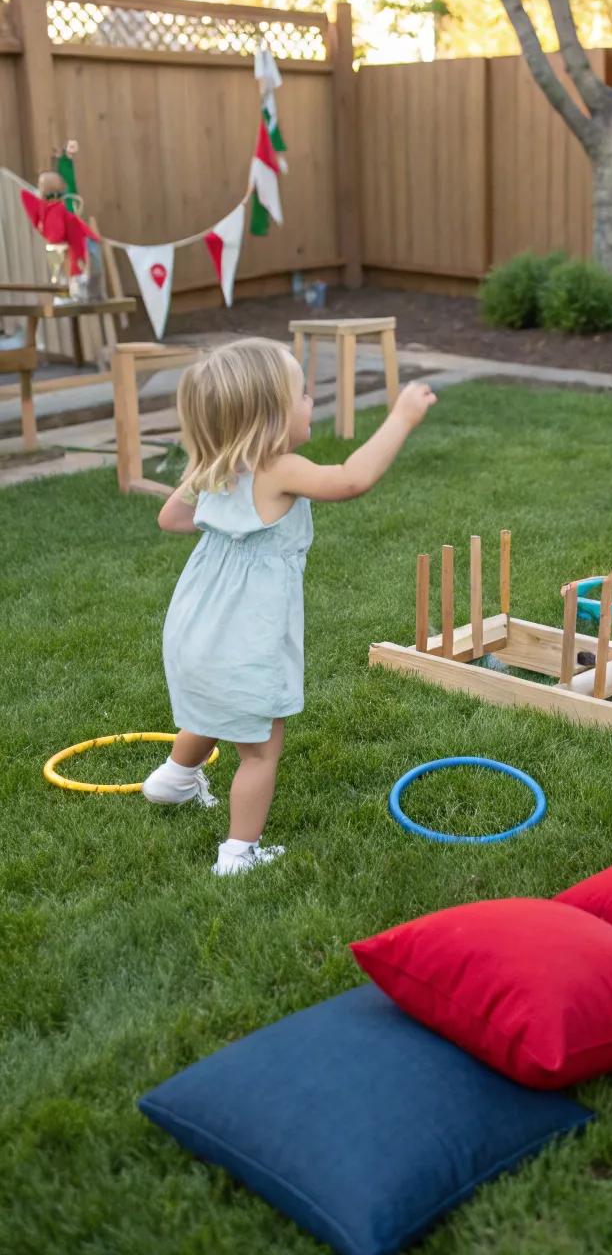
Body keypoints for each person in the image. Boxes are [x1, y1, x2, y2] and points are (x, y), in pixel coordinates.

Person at [142, 336, 436, 874]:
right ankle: (238, 854)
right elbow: (351, 479)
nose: (309, 404)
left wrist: (213, 478)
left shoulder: (217, 468)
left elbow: (172, 519)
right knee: (259, 749)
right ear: (270, 418)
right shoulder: (278, 467)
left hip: (195, 629)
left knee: (214, 707)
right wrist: (401, 418)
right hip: (244, 638)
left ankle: (172, 780)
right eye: (301, 395)